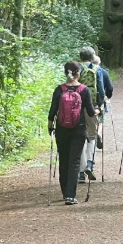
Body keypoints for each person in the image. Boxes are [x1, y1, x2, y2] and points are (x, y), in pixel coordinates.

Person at [47, 61, 97, 205]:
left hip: (62, 129)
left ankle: (64, 193)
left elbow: (52, 111)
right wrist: (98, 111)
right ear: (78, 73)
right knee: (74, 161)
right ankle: (70, 195)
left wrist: (50, 127)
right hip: (78, 129)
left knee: (63, 160)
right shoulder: (83, 90)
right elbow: (91, 112)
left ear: (65, 73)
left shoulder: (59, 89)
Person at [77, 46, 112, 182]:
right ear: (93, 57)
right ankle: (90, 164)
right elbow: (104, 91)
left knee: (79, 138)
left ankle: (80, 172)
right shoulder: (99, 70)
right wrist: (101, 105)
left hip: (76, 108)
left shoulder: (75, 69)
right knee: (91, 137)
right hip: (92, 107)